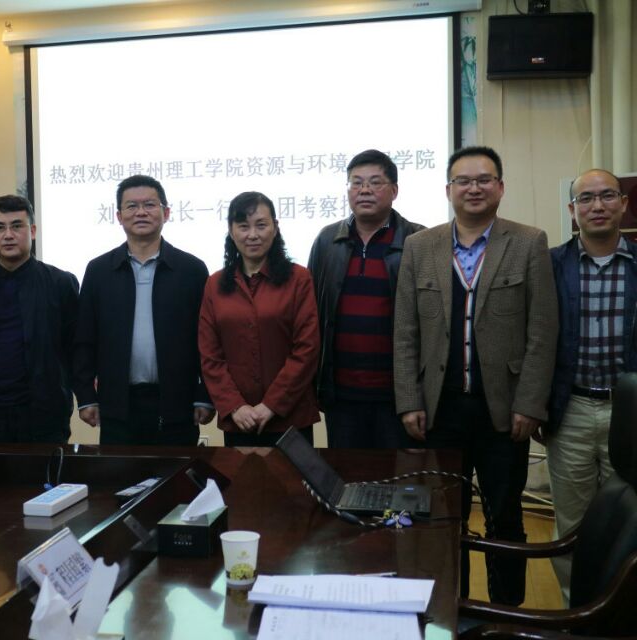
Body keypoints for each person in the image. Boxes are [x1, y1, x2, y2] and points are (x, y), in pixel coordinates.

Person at [393, 146, 558, 605]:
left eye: (484, 179)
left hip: (505, 412)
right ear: (448, 190)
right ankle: (453, 611)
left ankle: (507, 614)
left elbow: (542, 331)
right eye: (463, 181)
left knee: (505, 516)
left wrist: (530, 403)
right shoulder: (420, 246)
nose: (474, 188)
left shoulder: (528, 242)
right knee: (445, 518)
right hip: (439, 410)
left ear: (500, 187)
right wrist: (409, 401)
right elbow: (405, 331)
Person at [546, 169, 637, 603]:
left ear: (624, 204)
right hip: (572, 410)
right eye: (586, 198)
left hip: (630, 414)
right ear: (572, 210)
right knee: (573, 523)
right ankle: (576, 611)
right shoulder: (550, 265)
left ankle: (621, 614)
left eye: (607, 196)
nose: (597, 206)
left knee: (631, 522)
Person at [73, 174, 215, 445]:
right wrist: (85, 396)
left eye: (150, 204)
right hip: (117, 405)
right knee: (118, 472)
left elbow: (208, 341)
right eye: (131, 206)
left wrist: (205, 395)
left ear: (166, 213)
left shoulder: (192, 270)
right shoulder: (99, 270)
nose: (140, 212)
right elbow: (84, 339)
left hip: (178, 404)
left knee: (177, 473)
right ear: (119, 216)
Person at [307, 149, 424, 447]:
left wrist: (416, 395)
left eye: (375, 182)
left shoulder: (418, 241)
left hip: (397, 396)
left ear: (394, 190)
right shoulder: (327, 240)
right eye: (356, 183)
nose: (365, 190)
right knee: (346, 473)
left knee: (399, 473)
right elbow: (312, 313)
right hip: (341, 394)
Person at [199, 191, 321, 447]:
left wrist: (271, 405)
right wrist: (235, 406)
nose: (252, 235)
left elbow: (307, 349)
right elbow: (210, 355)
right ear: (231, 231)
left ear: (275, 227)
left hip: (291, 417)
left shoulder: (298, 279)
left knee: (293, 476)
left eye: (261, 225)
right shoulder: (215, 284)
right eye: (243, 226)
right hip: (238, 420)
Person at [0, 195, 79, 443]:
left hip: (46, 413)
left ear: (33, 231)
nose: (8, 235)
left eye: (17, 226)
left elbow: (75, 348)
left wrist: (85, 398)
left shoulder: (61, 283)